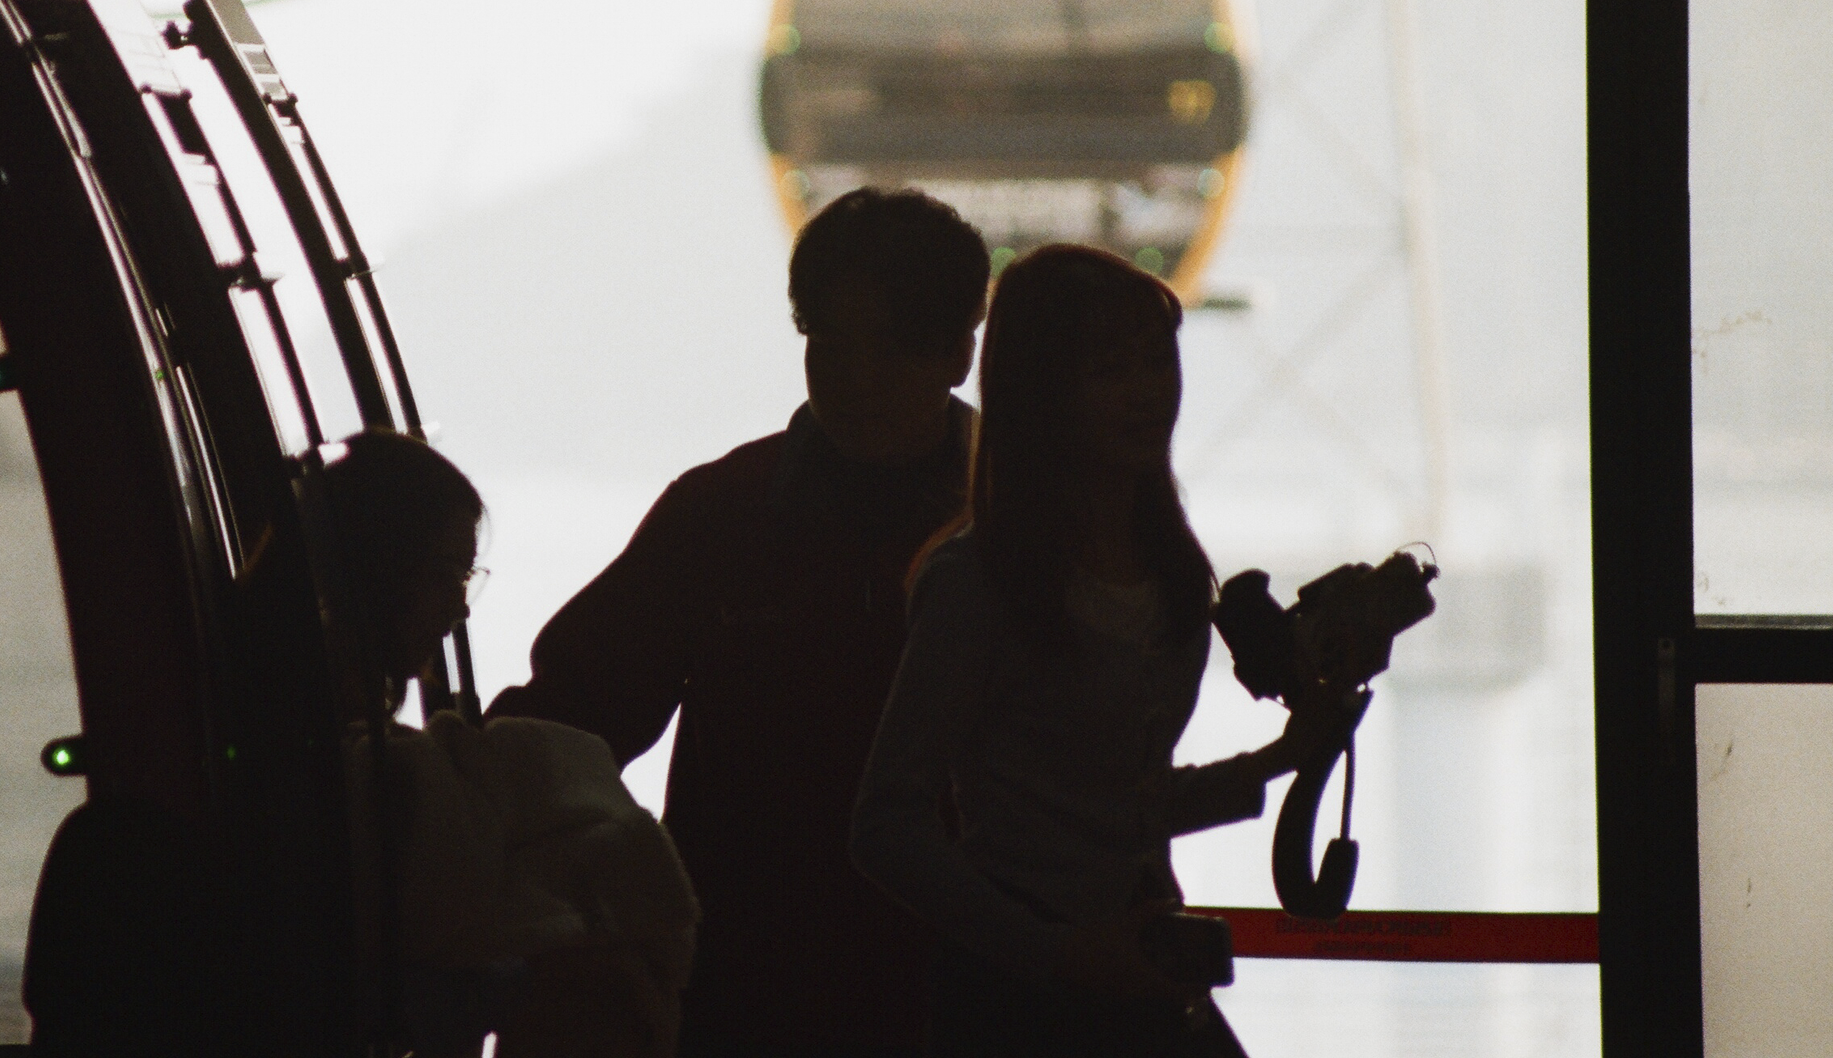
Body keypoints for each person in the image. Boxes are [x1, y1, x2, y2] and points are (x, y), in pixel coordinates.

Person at [488, 186, 992, 1057]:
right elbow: (567, 722)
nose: (855, 379)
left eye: (890, 348)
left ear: (958, 352)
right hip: (744, 1005)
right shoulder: (722, 516)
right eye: (829, 345)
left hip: (961, 1003)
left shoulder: (1022, 530)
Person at [849, 245, 1363, 1058]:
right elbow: (885, 825)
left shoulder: (1168, 566)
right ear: (1042, 395)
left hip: (1144, 970)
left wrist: (1278, 761)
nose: (1148, 392)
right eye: (1109, 370)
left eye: (1157, 361)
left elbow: (1115, 801)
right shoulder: (978, 582)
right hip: (1018, 1005)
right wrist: (1056, 951)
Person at [326, 431, 699, 1058]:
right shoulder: (328, 747)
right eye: (445, 573)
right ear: (374, 562)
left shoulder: (310, 711)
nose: (459, 609)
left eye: (466, 577)